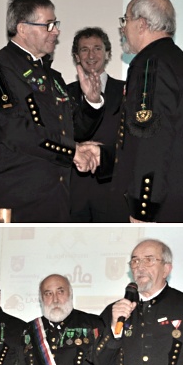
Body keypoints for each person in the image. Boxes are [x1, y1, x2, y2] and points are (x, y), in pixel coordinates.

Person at [76, 0, 183, 222]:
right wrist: (105, 156)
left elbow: (153, 144)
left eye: (125, 20)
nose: (123, 28)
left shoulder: (151, 65)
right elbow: (160, 140)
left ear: (141, 24)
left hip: (166, 208)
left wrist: (143, 207)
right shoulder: (175, 60)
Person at [0, 0, 104, 222]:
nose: (56, 31)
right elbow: (14, 130)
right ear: (23, 28)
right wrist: (71, 151)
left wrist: (92, 102)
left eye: (56, 24)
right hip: (16, 200)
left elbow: (72, 130)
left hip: (55, 199)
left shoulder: (52, 77)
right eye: (49, 25)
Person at [67, 27, 124, 222]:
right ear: (77, 57)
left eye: (97, 48)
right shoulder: (64, 92)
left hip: (112, 190)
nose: (91, 55)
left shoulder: (127, 91)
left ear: (107, 53)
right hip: (74, 191)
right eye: (84, 49)